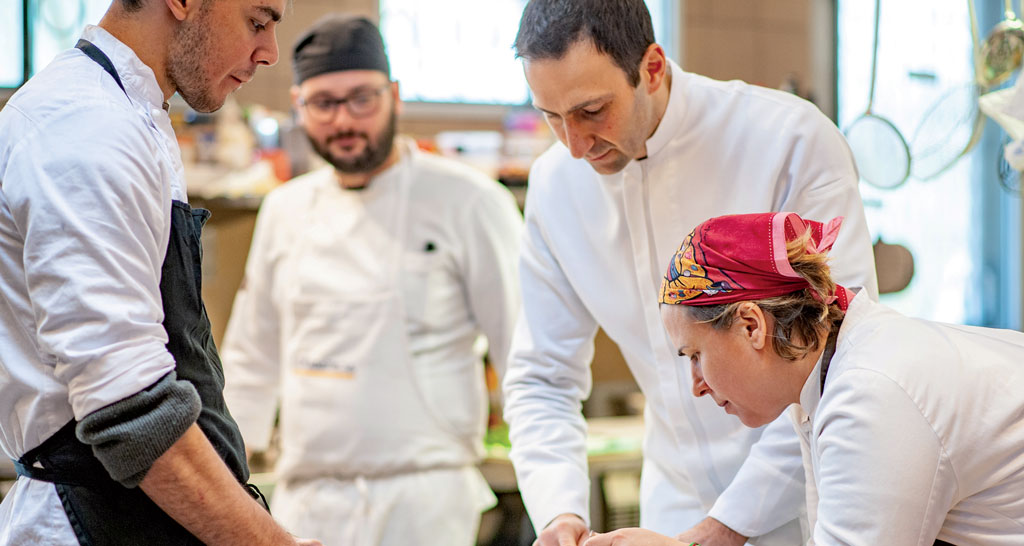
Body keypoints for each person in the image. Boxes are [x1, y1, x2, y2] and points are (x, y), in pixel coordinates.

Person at [501, 1, 879, 545]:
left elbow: (839, 356)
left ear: (652, 67)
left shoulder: (787, 140)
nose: (574, 146)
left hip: (808, 494)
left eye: (591, 110)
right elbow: (542, 377)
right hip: (673, 501)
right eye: (551, 116)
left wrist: (727, 526)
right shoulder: (555, 187)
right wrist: (558, 513)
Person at [0, 1, 320, 545]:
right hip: (96, 523)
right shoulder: (85, 129)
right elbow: (128, 409)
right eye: (257, 22)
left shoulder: (128, 114)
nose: (268, 53)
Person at [219, 14, 523, 546]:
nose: (344, 121)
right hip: (304, 501)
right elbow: (252, 358)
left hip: (426, 501)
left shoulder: (471, 202)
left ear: (395, 96)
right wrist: (226, 490)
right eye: (323, 103)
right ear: (298, 105)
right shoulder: (285, 210)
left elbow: (524, 352)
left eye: (361, 98)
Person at [587, 211, 1024, 545]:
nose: (696, 385)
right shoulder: (841, 365)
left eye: (695, 355)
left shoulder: (873, 393)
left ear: (751, 326)